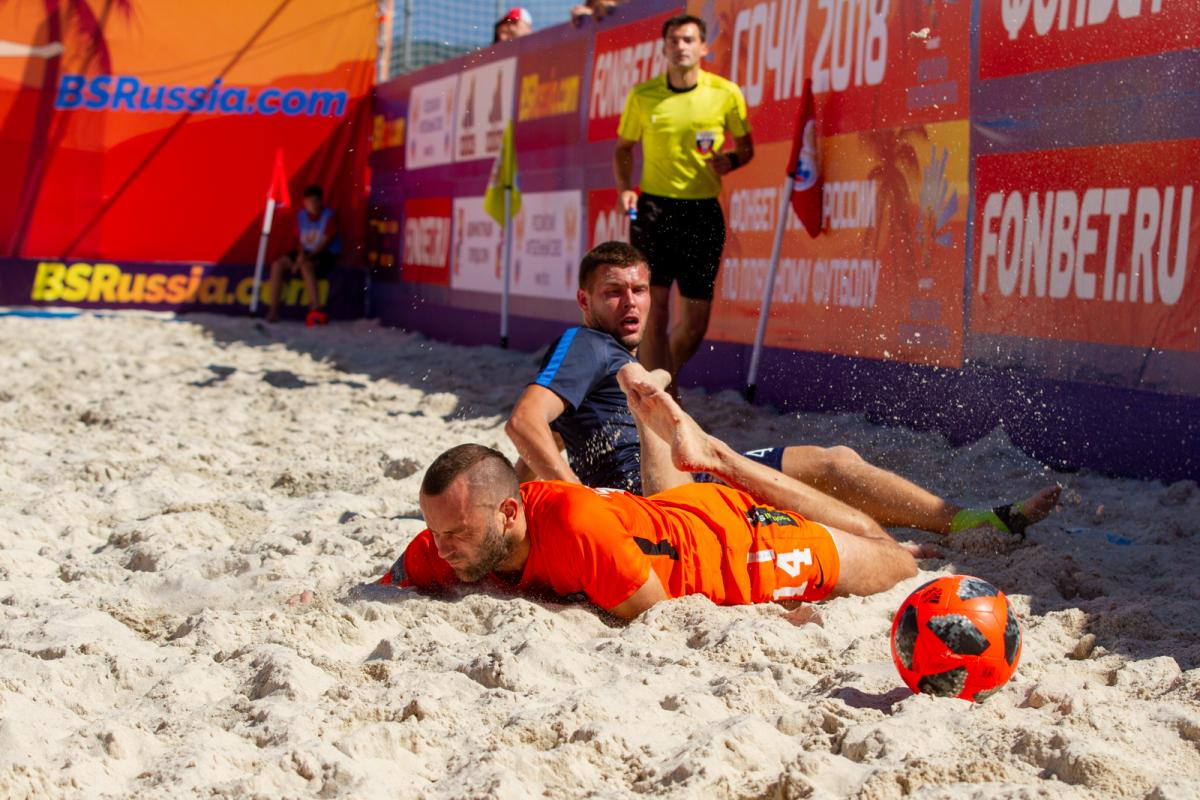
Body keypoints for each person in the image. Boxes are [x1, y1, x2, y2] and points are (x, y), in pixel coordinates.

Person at [505, 241, 1060, 542]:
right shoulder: (585, 343)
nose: (630, 302)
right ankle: (949, 527)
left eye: (639, 289)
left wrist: (523, 488)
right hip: (664, 496)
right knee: (824, 474)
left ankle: (959, 522)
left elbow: (546, 437)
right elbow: (524, 422)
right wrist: (576, 501)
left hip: (687, 477)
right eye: (613, 292)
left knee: (836, 462)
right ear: (584, 301)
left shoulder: (607, 355)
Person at [378, 388, 919, 619]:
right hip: (668, 513)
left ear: (509, 514)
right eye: (437, 532)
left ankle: (724, 459)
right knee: (662, 504)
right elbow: (383, 586)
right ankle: (659, 420)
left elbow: (666, 616)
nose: (441, 548)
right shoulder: (447, 538)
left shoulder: (575, 528)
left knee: (895, 557)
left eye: (456, 534)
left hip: (736, 547)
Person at [613, 14, 753, 386]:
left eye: (688, 40)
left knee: (695, 323)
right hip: (654, 211)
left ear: (703, 47)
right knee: (655, 312)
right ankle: (660, 399)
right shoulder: (643, 95)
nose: (680, 47)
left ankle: (659, 385)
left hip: (702, 211)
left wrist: (731, 160)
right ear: (664, 48)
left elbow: (746, 148)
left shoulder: (726, 93)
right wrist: (625, 187)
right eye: (673, 40)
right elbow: (623, 148)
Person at [268, 185, 339, 325]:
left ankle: (316, 308)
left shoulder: (329, 216)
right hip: (305, 252)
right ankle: (273, 309)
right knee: (277, 265)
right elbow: (300, 242)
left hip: (324, 253)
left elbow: (324, 244)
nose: (311, 205)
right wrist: (300, 257)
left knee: (306, 266)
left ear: (320, 202)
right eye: (308, 202)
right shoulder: (301, 216)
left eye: (314, 201)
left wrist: (300, 261)